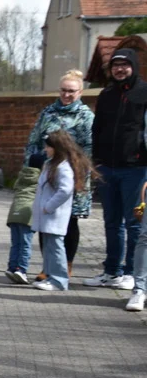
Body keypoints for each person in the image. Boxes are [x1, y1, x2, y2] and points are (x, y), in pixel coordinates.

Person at [83, 48, 147, 290]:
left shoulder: (144, 92)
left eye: (124, 65)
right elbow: (97, 129)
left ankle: (132, 272)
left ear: (133, 67)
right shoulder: (107, 94)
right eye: (115, 65)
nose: (120, 69)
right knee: (111, 222)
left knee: (134, 223)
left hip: (136, 168)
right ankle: (111, 272)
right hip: (107, 168)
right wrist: (96, 161)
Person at [24, 69, 94, 279]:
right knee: (46, 221)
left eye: (71, 91)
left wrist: (76, 170)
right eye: (63, 90)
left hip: (73, 175)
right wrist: (31, 165)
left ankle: (66, 265)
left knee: (70, 222)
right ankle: (47, 267)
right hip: (47, 174)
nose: (67, 95)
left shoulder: (85, 116)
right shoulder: (48, 112)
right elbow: (33, 141)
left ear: (80, 92)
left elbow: (89, 147)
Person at [31, 131, 94, 291]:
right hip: (47, 216)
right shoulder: (51, 164)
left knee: (56, 247)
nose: (46, 149)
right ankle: (50, 276)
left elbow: (65, 190)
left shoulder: (63, 167)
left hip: (54, 215)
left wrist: (49, 206)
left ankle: (59, 280)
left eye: (48, 147)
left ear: (57, 148)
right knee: (49, 247)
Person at [4, 154, 44, 285]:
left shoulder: (21, 175)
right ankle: (21, 270)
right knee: (26, 244)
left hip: (14, 212)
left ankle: (11, 268)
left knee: (16, 243)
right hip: (27, 213)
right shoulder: (41, 178)